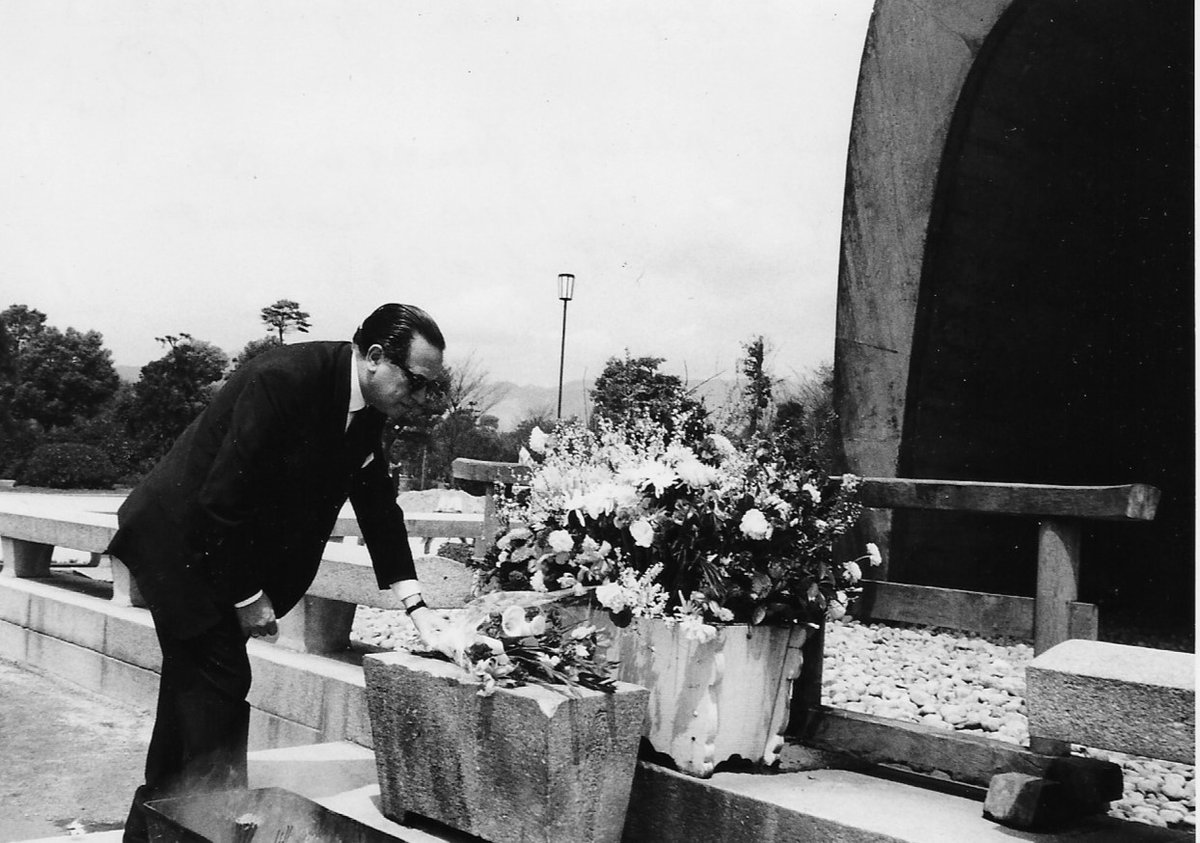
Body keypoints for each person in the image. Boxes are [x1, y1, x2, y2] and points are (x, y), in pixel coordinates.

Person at [108, 303, 447, 842]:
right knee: (218, 686)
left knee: (190, 693)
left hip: (215, 550)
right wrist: (249, 597)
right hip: (179, 544)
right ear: (376, 359)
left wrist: (417, 607)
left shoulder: (367, 408)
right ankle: (216, 824)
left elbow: (378, 504)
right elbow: (222, 501)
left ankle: (154, 830)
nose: (423, 397)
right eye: (419, 382)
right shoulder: (282, 380)